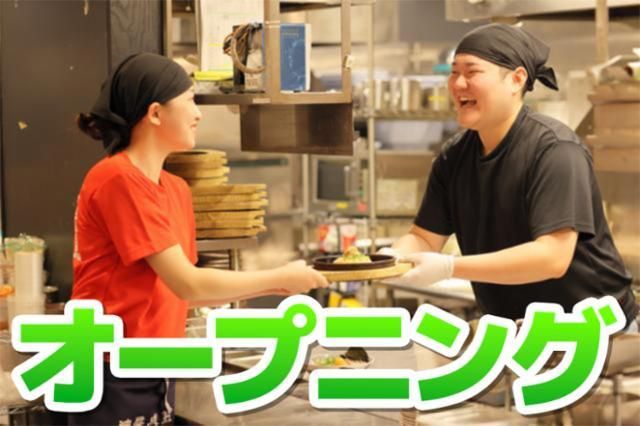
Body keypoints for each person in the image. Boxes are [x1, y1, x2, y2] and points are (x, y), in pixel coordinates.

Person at [70, 52, 328, 425]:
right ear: (155, 113)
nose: (199, 113)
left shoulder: (175, 189)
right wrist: (280, 276)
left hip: (157, 365)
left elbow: (184, 293)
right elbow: (188, 283)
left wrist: (280, 285)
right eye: (190, 100)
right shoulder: (117, 179)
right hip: (109, 367)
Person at [383, 24, 639, 331]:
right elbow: (425, 238)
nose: (458, 83)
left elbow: (552, 257)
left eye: (472, 72)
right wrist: (393, 258)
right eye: (454, 72)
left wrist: (450, 267)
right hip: (516, 332)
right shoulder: (453, 158)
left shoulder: (555, 150)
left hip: (593, 332)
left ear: (516, 80)